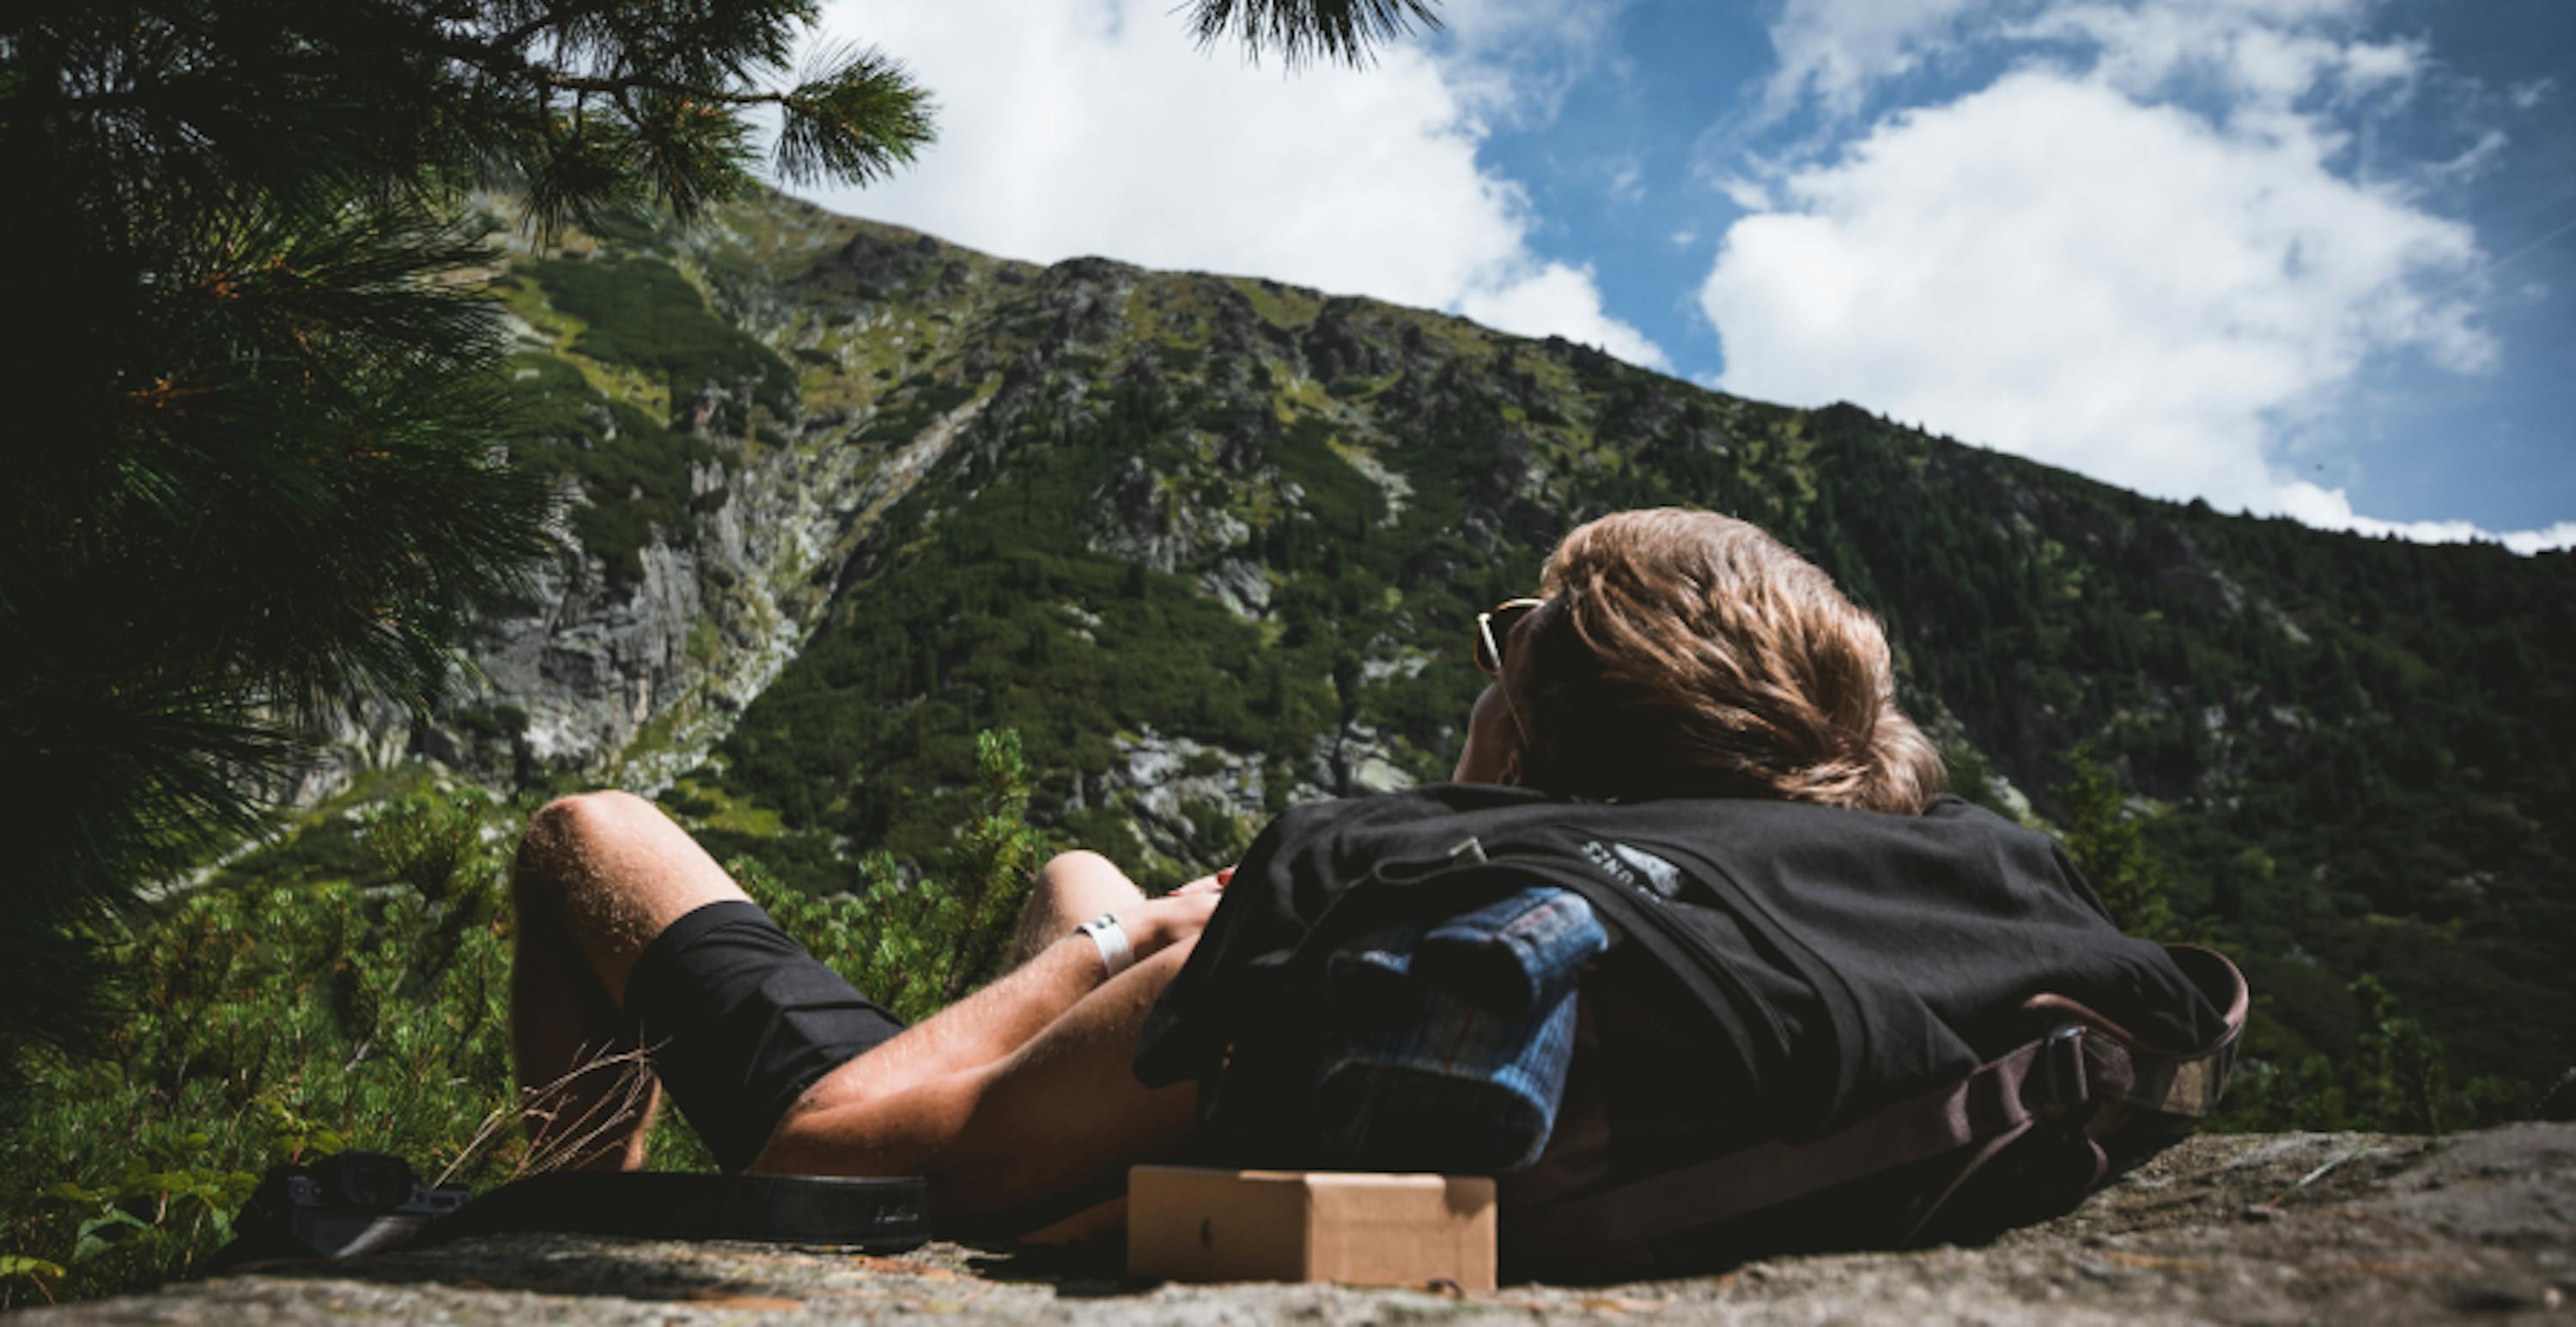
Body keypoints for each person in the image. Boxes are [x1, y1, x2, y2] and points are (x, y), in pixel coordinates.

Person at [505, 507, 1944, 1221]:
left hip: (942, 1142)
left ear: (1521, 743)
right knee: (1078, 864)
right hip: (1120, 1107)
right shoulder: (1743, 935)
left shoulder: (1378, 954)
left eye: (1515, 643)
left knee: (589, 833)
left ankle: (565, 1222)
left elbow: (811, 1154)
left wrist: (1135, 947)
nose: (1489, 669)